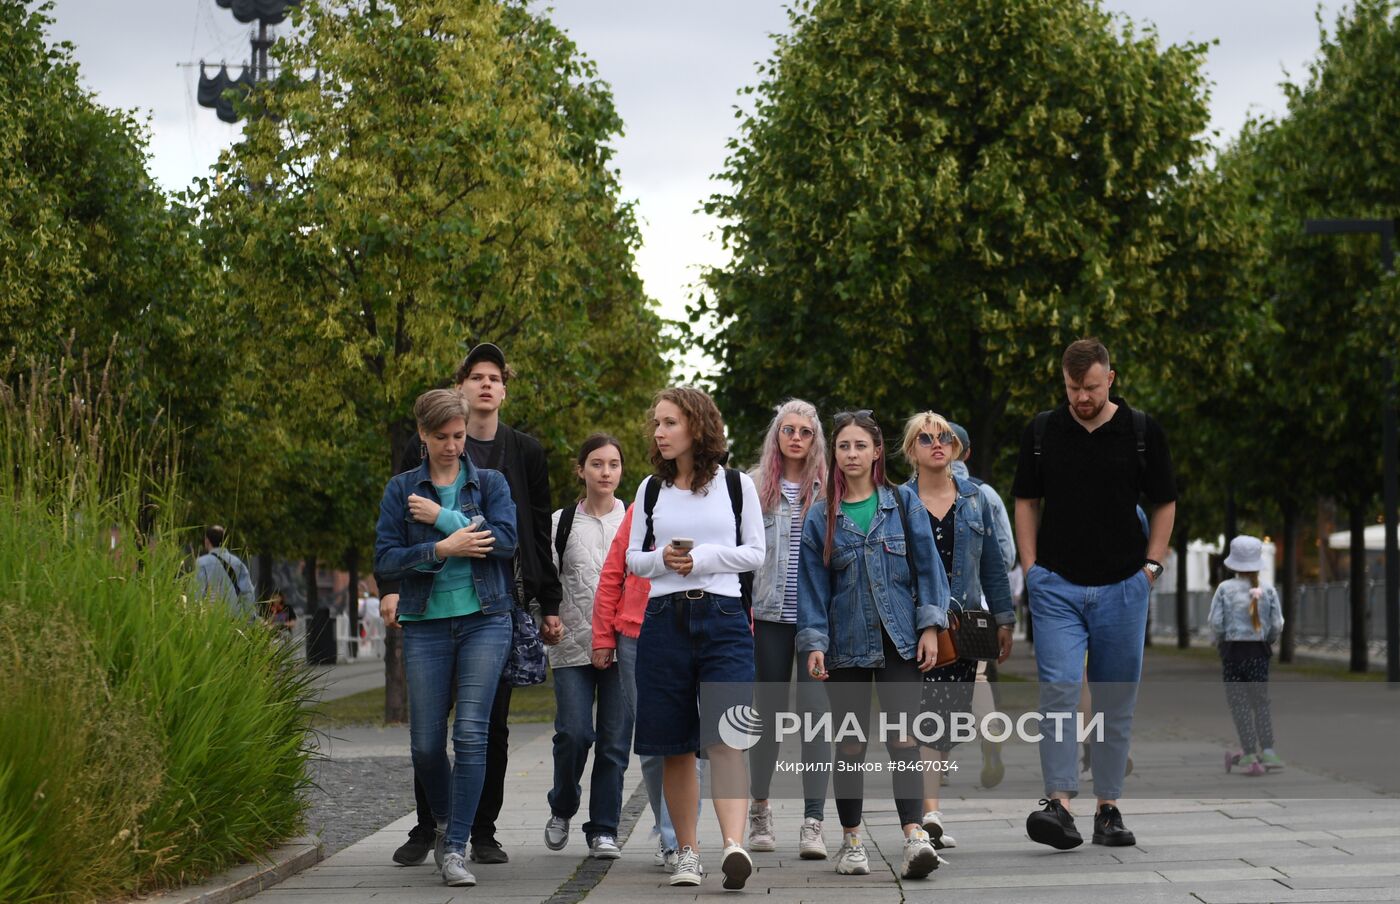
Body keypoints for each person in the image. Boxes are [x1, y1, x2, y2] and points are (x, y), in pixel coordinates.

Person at [382, 342, 563, 868]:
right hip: (428, 611)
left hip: (495, 605)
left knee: (485, 728)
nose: (486, 384)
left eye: (495, 377)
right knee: (430, 734)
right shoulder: (414, 468)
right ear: (459, 388)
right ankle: (431, 827)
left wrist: (547, 599)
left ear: (504, 389)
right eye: (476, 376)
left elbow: (527, 532)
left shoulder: (518, 457)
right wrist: (396, 582)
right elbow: (392, 536)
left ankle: (475, 833)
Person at [1011, 338, 1176, 850]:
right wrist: (1032, 567)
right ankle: (1058, 805)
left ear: (1111, 379)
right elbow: (1025, 500)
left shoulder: (1142, 431)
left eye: (1090, 387)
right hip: (1057, 585)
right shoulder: (1042, 431)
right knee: (1059, 689)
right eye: (1072, 388)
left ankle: (1108, 808)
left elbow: (1165, 501)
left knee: (1113, 697)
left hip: (1124, 586)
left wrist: (1151, 566)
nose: (1081, 397)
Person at [797, 409, 950, 881]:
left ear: (877, 451)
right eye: (844, 446)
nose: (852, 454)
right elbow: (813, 590)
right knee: (850, 744)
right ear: (835, 454)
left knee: (904, 738)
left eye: (861, 445)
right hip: (844, 647)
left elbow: (929, 572)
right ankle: (852, 841)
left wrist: (930, 626)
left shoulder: (903, 505)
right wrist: (814, 643)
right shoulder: (822, 517)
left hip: (900, 641)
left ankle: (913, 838)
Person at [374, 389, 518, 888]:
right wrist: (439, 549)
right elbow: (386, 559)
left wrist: (444, 520)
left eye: (459, 436)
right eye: (442, 437)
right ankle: (440, 821)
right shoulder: (400, 490)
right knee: (426, 745)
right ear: (422, 434)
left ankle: (455, 846)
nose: (453, 446)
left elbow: (506, 542)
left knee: (472, 733)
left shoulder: (491, 483)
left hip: (485, 619)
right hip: (426, 624)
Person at [625, 387, 765, 890]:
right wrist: (662, 559)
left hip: (724, 618)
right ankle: (687, 853)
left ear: (696, 426)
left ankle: (734, 846)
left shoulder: (736, 485)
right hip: (663, 620)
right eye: (656, 424)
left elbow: (755, 553)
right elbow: (632, 561)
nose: (658, 432)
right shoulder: (649, 490)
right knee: (674, 746)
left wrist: (702, 558)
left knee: (727, 736)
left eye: (668, 423)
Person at [900, 412, 1013, 852]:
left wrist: (1004, 619)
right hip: (911, 625)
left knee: (947, 722)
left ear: (956, 447)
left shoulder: (975, 500)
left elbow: (993, 568)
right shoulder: (897, 501)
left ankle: (927, 810)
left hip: (963, 624)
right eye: (925, 438)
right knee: (920, 718)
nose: (936, 444)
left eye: (943, 437)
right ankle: (927, 814)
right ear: (911, 450)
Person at [745, 399, 831, 860]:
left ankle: (813, 821)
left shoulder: (829, 490)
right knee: (769, 717)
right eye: (788, 430)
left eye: (805, 431)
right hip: (768, 619)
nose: (796, 437)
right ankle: (760, 808)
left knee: (817, 716)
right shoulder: (756, 486)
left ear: (815, 439)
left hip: (816, 623)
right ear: (776, 436)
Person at [543, 434, 631, 859]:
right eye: (597, 464)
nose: (606, 472)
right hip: (571, 646)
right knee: (574, 734)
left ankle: (603, 829)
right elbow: (543, 585)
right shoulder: (560, 522)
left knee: (614, 742)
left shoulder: (635, 520)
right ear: (581, 470)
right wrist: (546, 617)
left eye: (613, 465)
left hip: (620, 648)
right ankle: (562, 805)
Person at [947, 420, 1017, 790]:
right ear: (969, 452)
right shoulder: (986, 495)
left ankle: (936, 762)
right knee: (976, 677)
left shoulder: (914, 493)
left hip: (936, 606)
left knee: (933, 678)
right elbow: (1005, 554)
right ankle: (989, 732)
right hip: (980, 607)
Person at [1209, 535, 1285, 776]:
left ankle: (1250, 752)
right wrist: (1268, 639)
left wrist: (1221, 640)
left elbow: (1215, 622)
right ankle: (1270, 750)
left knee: (1239, 703)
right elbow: (1277, 623)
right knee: (1260, 701)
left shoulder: (1224, 589)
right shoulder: (1268, 589)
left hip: (1233, 652)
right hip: (1259, 651)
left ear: (1232, 563)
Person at [194, 525, 256, 621]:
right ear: (225, 541)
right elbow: (247, 592)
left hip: (210, 618)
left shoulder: (201, 562)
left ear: (207, 540)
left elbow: (197, 592)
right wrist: (250, 619)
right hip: (235, 618)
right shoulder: (237, 562)